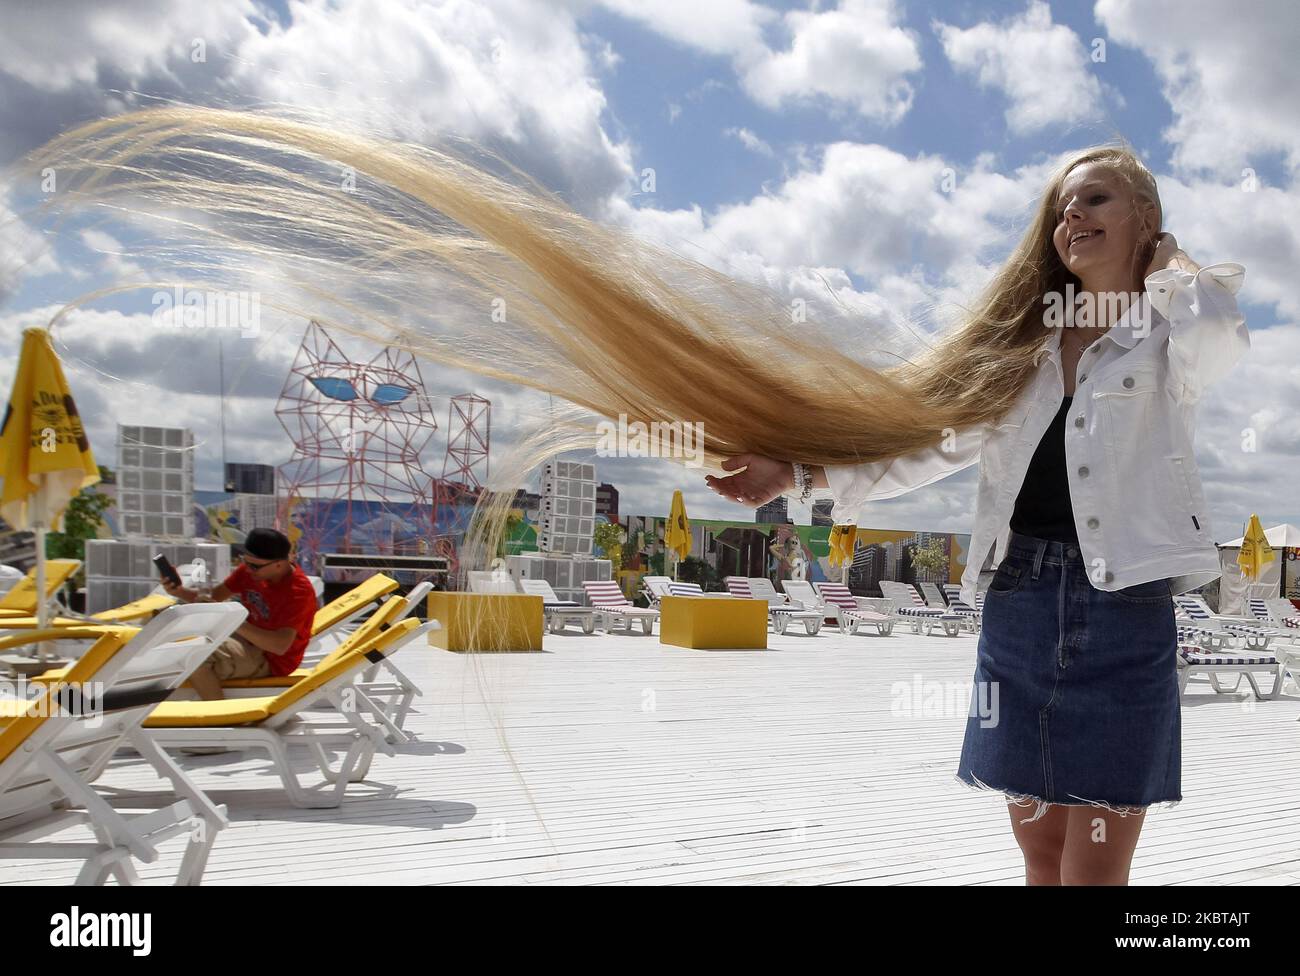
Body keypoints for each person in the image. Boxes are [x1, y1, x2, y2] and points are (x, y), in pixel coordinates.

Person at [706, 153, 1248, 885]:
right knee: (1042, 854)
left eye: (1095, 199)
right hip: (1017, 604)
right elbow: (927, 446)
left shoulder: (1169, 334)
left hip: (1125, 612)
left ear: (1144, 219)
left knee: (1095, 868)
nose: (1072, 217)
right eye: (1061, 209)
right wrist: (801, 473)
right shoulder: (1021, 352)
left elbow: (1221, 336)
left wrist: (1171, 264)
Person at [161, 528, 319, 701]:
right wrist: (180, 591)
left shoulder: (297, 592)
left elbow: (279, 646)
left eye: (254, 566)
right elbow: (213, 598)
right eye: (245, 561)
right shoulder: (251, 571)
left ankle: (218, 719)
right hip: (245, 640)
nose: (248, 569)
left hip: (271, 659)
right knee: (173, 642)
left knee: (195, 658)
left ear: (279, 564)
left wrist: (233, 620)